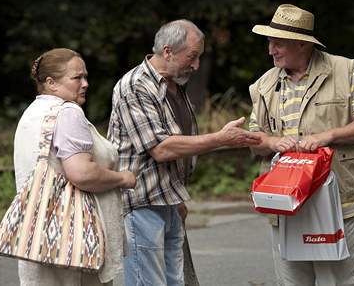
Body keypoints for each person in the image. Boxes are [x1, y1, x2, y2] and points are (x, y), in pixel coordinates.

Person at [107, 19, 262, 286]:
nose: (196, 65)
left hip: (168, 202)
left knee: (175, 282)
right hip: (142, 204)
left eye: (199, 57)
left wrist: (176, 195)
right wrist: (220, 138)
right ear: (167, 51)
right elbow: (162, 148)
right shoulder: (135, 85)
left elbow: (176, 147)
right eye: (192, 56)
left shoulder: (173, 85)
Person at [248, 4, 354, 286]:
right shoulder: (263, 85)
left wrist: (325, 136)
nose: (271, 50)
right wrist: (271, 141)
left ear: (301, 44)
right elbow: (254, 138)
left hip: (339, 201)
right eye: (270, 42)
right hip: (286, 204)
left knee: (340, 282)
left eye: (278, 43)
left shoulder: (344, 70)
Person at [14, 48, 136, 286]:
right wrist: (123, 179)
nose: (85, 83)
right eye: (77, 78)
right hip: (74, 239)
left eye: (85, 76)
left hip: (40, 232)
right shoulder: (68, 113)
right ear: (51, 83)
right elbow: (82, 173)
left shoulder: (31, 113)